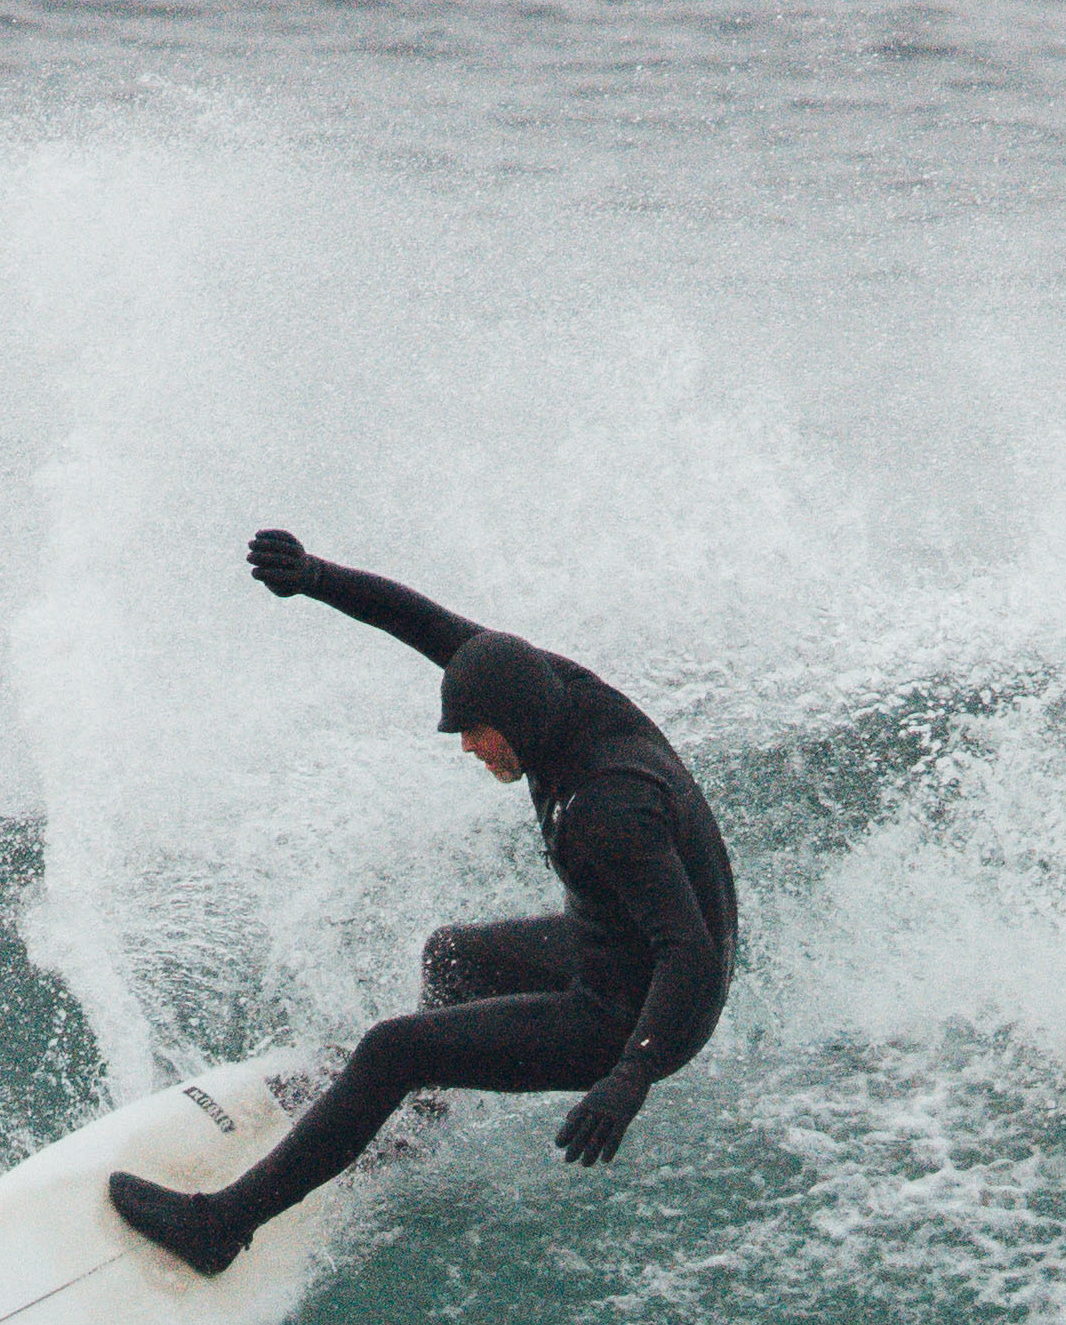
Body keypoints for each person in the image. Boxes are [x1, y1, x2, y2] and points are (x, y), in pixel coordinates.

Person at [106, 530, 740, 1277]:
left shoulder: (609, 807)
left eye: (475, 733)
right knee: (452, 955)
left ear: (517, 723)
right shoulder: (537, 686)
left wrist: (630, 1075)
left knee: (391, 1048)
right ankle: (413, 1117)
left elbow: (689, 952)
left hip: (642, 1012)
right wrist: (314, 576)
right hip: (611, 944)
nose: (469, 748)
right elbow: (422, 622)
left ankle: (220, 1228)